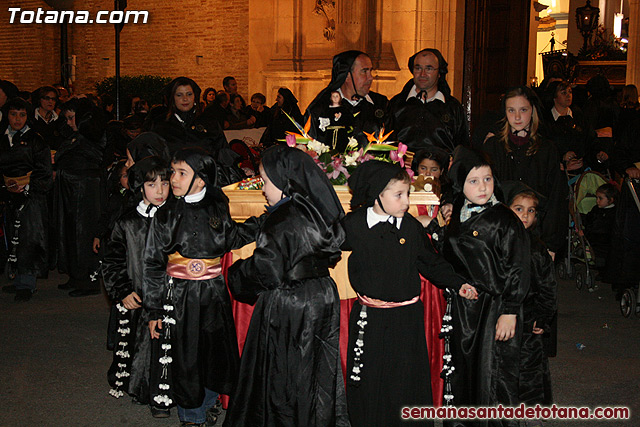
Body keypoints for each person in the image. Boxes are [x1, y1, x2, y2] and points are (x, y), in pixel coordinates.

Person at [342, 160, 476, 426]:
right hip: (370, 317)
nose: (406, 202)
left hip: (406, 318)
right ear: (377, 195)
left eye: (407, 194)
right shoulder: (353, 225)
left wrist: (457, 283)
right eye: (399, 195)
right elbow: (325, 247)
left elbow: (431, 262)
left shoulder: (411, 228)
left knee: (404, 377)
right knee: (370, 377)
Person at [224, 145, 349, 426]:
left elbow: (265, 269)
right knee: (315, 369)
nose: (263, 189)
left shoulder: (284, 218)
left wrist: (236, 275)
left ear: (285, 181)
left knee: (284, 374)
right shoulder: (317, 209)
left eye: (266, 182)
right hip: (322, 294)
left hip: (291, 301)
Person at [144, 148, 260, 426]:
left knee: (213, 351)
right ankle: (191, 414)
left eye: (181, 173)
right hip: (179, 296)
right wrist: (154, 309)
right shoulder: (165, 213)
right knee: (186, 356)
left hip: (213, 293)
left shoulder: (217, 207)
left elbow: (232, 237)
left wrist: (263, 222)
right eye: (173, 172)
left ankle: (209, 401)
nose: (173, 179)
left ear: (201, 179)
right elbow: (151, 263)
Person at [439, 147, 530, 427]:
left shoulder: (504, 219)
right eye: (474, 181)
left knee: (492, 375)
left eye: (488, 179)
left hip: (494, 308)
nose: (483, 187)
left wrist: (510, 310)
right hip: (464, 308)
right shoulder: (456, 213)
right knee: (463, 370)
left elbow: (519, 266)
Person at [103, 156, 171, 417]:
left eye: (165, 184)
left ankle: (161, 395)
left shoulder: (175, 218)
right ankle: (141, 387)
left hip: (168, 296)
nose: (160, 191)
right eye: (152, 185)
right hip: (137, 294)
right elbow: (112, 260)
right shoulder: (127, 222)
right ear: (141, 187)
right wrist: (121, 290)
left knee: (163, 346)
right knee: (139, 343)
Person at [482, 86, 567, 257]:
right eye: (511, 110)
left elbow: (556, 198)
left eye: (523, 110)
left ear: (533, 111)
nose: (518, 117)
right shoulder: (493, 147)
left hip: (537, 235)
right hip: (500, 234)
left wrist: (551, 244)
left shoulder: (547, 149)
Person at [503, 181, 556, 407]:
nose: (525, 215)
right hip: (503, 316)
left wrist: (543, 317)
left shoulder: (537, 249)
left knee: (531, 367)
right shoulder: (499, 242)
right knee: (503, 365)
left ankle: (533, 409)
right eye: (519, 209)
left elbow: (548, 287)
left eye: (531, 210)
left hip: (530, 317)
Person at [0, 97, 53, 302]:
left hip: (31, 198)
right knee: (13, 239)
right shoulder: (2, 138)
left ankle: (27, 283)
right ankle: (17, 277)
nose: (17, 119)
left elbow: (44, 172)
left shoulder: (36, 140)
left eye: (22, 115)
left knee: (29, 239)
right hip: (8, 195)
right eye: (13, 114)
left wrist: (27, 187)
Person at [146, 77, 243, 186]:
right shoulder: (160, 125)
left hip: (205, 185)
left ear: (195, 96)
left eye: (189, 94)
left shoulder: (209, 122)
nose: (185, 99)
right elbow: (152, 160)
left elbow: (222, 153)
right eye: (179, 95)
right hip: (171, 185)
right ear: (172, 98)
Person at [55, 98, 107, 297]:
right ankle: (76, 275)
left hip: (86, 190)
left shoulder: (91, 137)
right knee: (69, 231)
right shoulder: (78, 137)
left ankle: (88, 279)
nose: (68, 123)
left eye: (71, 118)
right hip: (72, 188)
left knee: (83, 232)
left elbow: (95, 157)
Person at [386, 48, 469, 154]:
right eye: (418, 68)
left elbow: (462, 148)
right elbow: (385, 143)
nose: (422, 74)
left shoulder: (452, 108)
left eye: (429, 68)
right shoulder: (396, 104)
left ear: (439, 73)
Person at [305, 50, 388, 149]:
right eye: (364, 71)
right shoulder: (321, 109)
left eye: (371, 71)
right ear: (347, 75)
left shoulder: (381, 104)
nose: (370, 77)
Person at [543, 80, 596, 172]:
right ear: (554, 97)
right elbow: (544, 147)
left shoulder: (578, 116)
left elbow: (590, 139)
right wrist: (562, 157)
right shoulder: (546, 120)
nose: (568, 96)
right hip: (557, 170)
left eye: (570, 92)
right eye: (563, 93)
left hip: (581, 169)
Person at [583, 183, 617, 277]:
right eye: (596, 198)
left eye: (600, 198)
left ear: (610, 200)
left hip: (608, 239)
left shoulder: (615, 212)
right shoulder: (596, 209)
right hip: (595, 237)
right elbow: (588, 221)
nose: (597, 201)